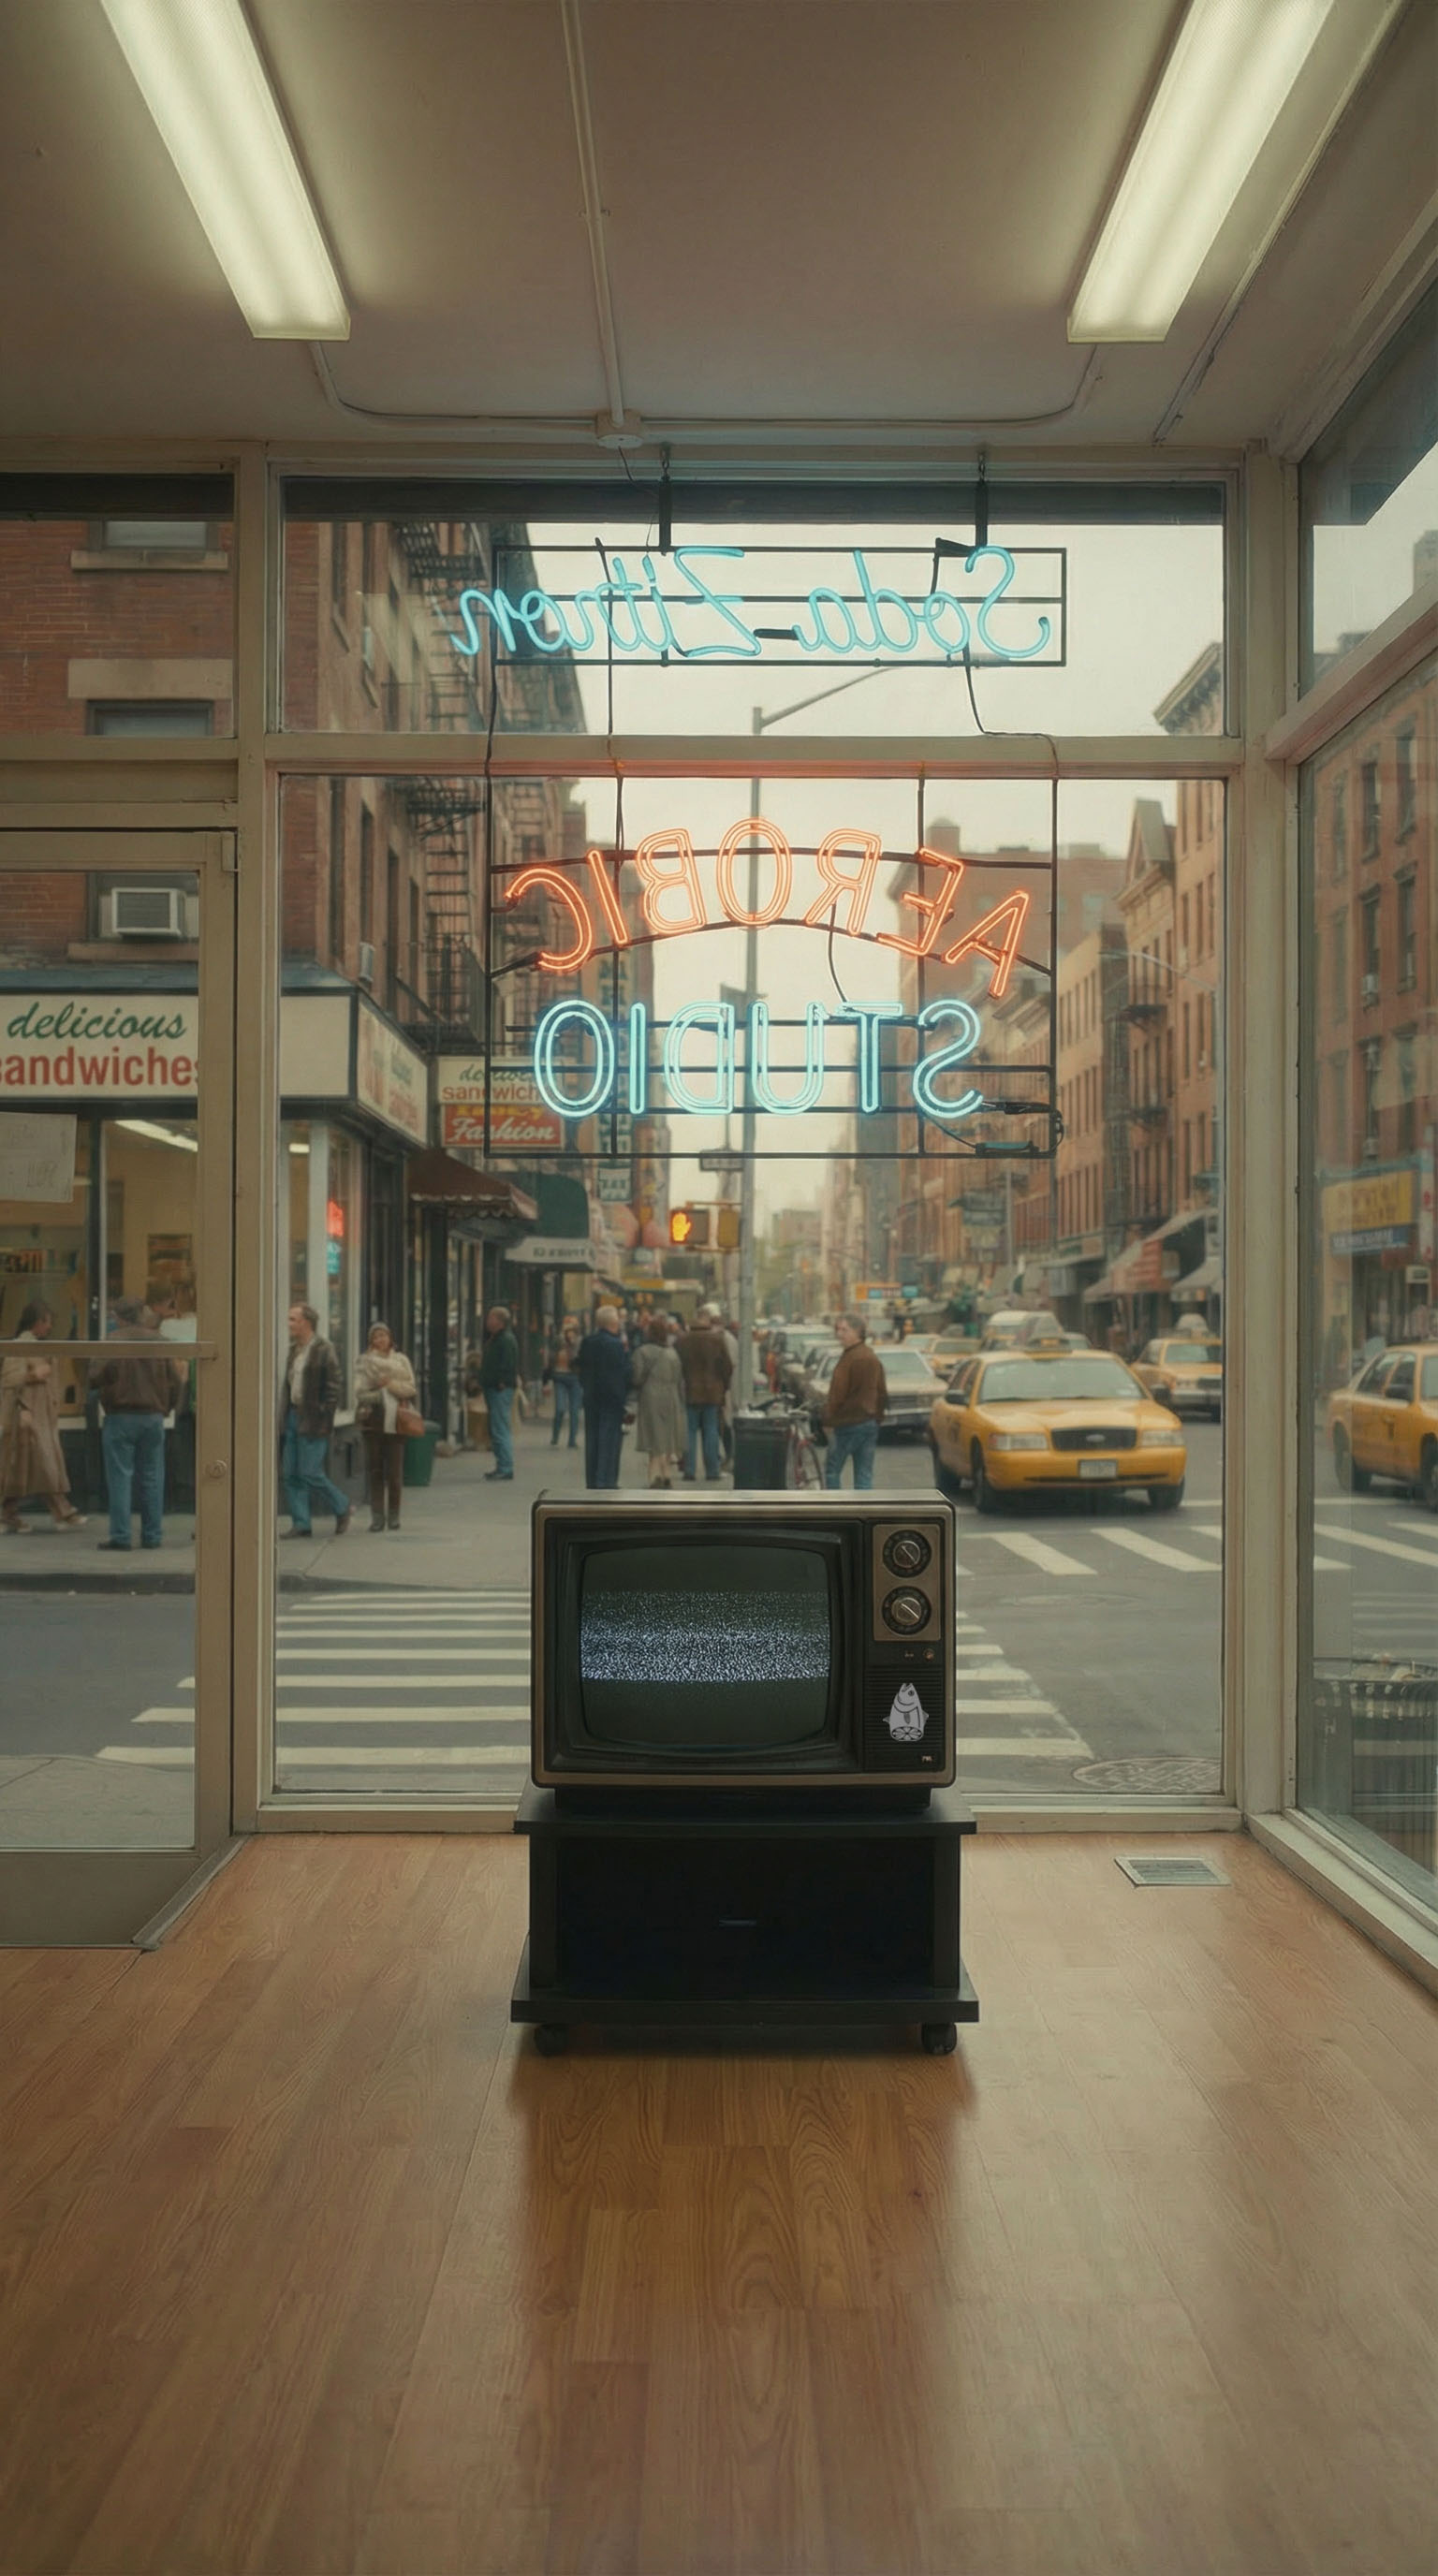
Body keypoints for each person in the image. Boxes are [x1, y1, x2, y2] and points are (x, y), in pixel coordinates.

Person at [93, 1296, 186, 1550]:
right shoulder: (159, 1341)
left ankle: (121, 1536)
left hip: (120, 1416)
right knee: (152, 1477)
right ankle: (152, 1535)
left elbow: (94, 1376)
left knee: (120, 1478)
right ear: (141, 1315)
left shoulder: (112, 1341)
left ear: (118, 1317)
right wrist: (166, 1408)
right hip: (152, 1417)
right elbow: (176, 1382)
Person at [0, 1300, 87, 1535]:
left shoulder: (39, 1346)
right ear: (37, 1322)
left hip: (38, 1418)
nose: (49, 1327)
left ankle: (8, 1514)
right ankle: (63, 1512)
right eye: (47, 1322)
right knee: (44, 1465)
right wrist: (33, 1375)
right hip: (26, 1419)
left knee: (23, 1469)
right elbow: (9, 1380)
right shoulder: (21, 1346)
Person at [278, 1302, 350, 1540]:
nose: (289, 1324)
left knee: (310, 1471)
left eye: (293, 1319)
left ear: (306, 1323)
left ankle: (342, 1505)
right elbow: (289, 1385)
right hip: (292, 1415)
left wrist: (324, 1414)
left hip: (314, 1418)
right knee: (291, 1473)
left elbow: (334, 1386)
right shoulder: (294, 1350)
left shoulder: (323, 1349)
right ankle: (301, 1523)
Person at [353, 1321, 417, 1532]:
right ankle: (377, 1517)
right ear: (371, 1340)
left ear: (390, 1338)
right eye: (376, 1336)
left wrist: (390, 1385)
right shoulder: (364, 1362)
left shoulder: (401, 1360)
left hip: (396, 1421)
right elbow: (359, 1392)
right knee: (375, 1471)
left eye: (383, 1335)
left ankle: (394, 1515)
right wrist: (379, 1394)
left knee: (395, 1472)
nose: (380, 1339)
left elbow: (410, 1389)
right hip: (373, 1420)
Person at [823, 1311, 887, 1491]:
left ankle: (836, 1506)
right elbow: (881, 1390)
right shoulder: (870, 1355)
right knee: (864, 1475)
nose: (839, 1334)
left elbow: (837, 1394)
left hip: (847, 1423)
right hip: (868, 1422)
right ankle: (864, 1507)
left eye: (844, 1330)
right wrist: (878, 1416)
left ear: (858, 1331)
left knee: (832, 1471)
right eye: (838, 1329)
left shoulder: (850, 1358)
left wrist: (828, 1420)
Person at [677, 1304, 733, 1483]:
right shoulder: (717, 1340)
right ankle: (712, 1471)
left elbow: (677, 1367)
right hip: (713, 1393)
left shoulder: (682, 1340)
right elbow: (727, 1367)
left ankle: (689, 1470)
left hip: (690, 1392)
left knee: (690, 1431)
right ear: (708, 1320)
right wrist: (723, 1387)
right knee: (711, 1430)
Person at [577, 1303, 630, 1489]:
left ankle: (592, 1480)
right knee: (609, 1443)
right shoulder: (615, 1345)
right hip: (611, 1400)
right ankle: (606, 1481)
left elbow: (581, 1368)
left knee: (592, 1440)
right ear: (613, 1322)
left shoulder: (588, 1342)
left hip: (591, 1398)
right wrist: (623, 1400)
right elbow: (621, 1374)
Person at [630, 1315, 686, 1487]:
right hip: (671, 1396)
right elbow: (680, 1379)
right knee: (668, 1435)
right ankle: (667, 1472)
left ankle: (654, 1475)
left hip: (651, 1397)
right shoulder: (673, 1353)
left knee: (653, 1435)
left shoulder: (642, 1352)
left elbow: (637, 1378)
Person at [478, 1305, 520, 1481]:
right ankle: (501, 1464)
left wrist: (501, 1382)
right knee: (496, 1428)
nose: (488, 1321)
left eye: (491, 1318)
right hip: (492, 1387)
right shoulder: (495, 1339)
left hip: (499, 1389)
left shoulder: (506, 1340)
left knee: (500, 1427)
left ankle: (505, 1467)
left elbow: (508, 1363)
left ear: (500, 1321)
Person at [544, 1313, 582, 1450]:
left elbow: (580, 1360)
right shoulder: (557, 1341)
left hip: (574, 1378)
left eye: (573, 1327)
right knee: (560, 1409)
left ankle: (572, 1440)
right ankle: (555, 1435)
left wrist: (571, 1346)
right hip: (559, 1377)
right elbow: (550, 1359)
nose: (570, 1330)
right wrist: (546, 1380)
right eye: (567, 1326)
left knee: (574, 1411)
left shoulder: (579, 1342)